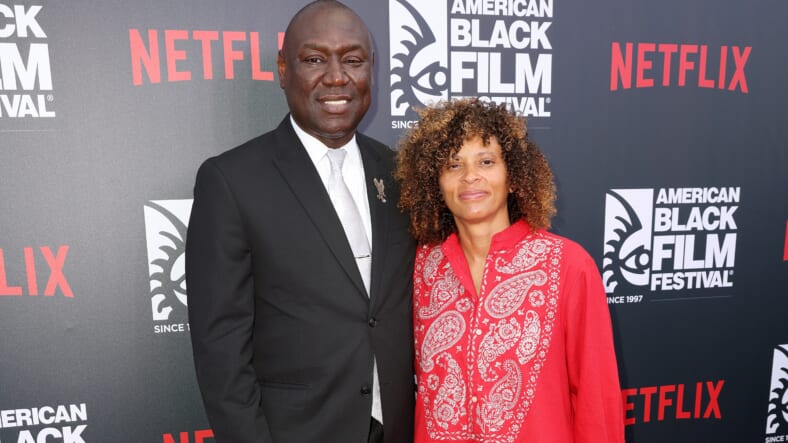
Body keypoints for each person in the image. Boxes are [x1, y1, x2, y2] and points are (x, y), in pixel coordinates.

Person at [185, 1, 415, 442]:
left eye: (353, 60)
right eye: (314, 60)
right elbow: (221, 350)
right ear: (282, 69)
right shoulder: (231, 181)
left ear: (372, 68)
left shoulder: (399, 173)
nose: (336, 77)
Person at [395, 98, 625, 442]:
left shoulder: (568, 266)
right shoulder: (420, 268)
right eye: (453, 165)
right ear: (435, 184)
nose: (470, 176)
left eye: (486, 161)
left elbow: (597, 400)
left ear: (513, 177)